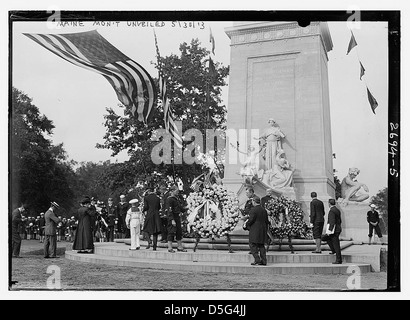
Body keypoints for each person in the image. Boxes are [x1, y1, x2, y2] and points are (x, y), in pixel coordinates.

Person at [244, 196, 269, 266]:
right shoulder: (264, 210)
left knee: (252, 244)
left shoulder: (253, 210)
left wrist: (246, 224)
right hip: (263, 229)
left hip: (255, 229)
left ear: (254, 202)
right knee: (261, 245)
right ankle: (264, 261)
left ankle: (257, 259)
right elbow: (267, 221)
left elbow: (251, 220)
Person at [166, 185, 187, 253]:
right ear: (172, 191)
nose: (177, 192)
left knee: (179, 232)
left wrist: (187, 209)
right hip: (172, 217)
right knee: (171, 232)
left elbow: (180, 208)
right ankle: (170, 247)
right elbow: (170, 210)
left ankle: (179, 247)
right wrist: (172, 219)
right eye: (176, 191)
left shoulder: (176, 198)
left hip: (177, 217)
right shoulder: (170, 199)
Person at [143, 185, 162, 251]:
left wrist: (143, 210)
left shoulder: (146, 198)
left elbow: (146, 207)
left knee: (145, 229)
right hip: (156, 215)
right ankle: (154, 246)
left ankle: (149, 240)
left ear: (148, 191)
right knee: (155, 231)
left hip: (149, 214)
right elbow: (159, 207)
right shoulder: (157, 198)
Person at [324, 199, 343, 264]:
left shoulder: (332, 211)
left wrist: (329, 231)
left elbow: (332, 222)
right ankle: (333, 250)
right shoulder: (337, 210)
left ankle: (338, 259)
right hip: (338, 228)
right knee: (328, 239)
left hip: (334, 230)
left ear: (329, 203)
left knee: (336, 244)